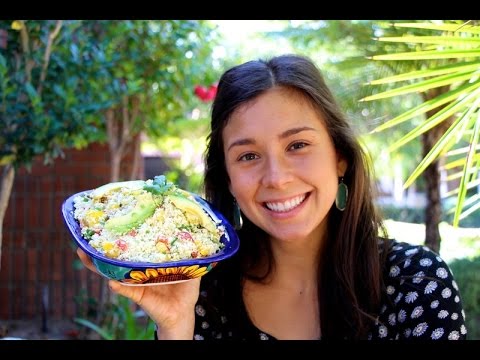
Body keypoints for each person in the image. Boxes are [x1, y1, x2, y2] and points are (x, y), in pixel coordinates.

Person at [77, 54, 467, 340]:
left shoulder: (417, 283)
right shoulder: (204, 294)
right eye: (248, 156)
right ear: (227, 179)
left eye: (297, 145)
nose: (276, 178)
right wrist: (176, 327)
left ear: (340, 158)